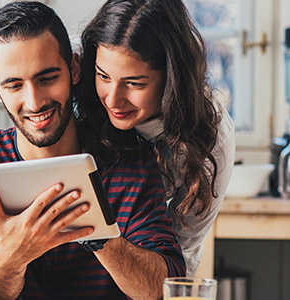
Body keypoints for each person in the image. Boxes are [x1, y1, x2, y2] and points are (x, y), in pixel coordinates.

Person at [0, 2, 185, 299]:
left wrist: (97, 233)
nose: (34, 102)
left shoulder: (130, 160)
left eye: (47, 78)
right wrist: (15, 253)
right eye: (14, 86)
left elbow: (162, 288)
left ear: (73, 69)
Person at [76, 0, 236, 276]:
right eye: (103, 76)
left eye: (134, 83)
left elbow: (183, 248)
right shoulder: (76, 78)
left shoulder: (211, 138)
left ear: (171, 77)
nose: (112, 100)